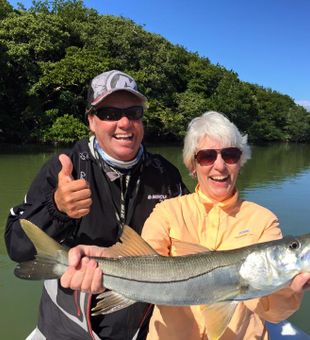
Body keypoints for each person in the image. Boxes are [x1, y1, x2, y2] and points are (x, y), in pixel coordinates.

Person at [61, 111, 310, 339]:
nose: (220, 165)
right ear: (192, 165)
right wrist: (104, 258)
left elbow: (272, 313)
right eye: (207, 156)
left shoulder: (263, 220)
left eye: (230, 155)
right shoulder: (168, 211)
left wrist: (290, 288)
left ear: (241, 161)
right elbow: (142, 258)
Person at [5, 69, 188, 340]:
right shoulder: (64, 168)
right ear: (91, 120)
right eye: (110, 114)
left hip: (141, 328)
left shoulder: (165, 174)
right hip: (65, 328)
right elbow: (16, 246)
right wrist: (56, 209)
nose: (124, 123)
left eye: (134, 113)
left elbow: (191, 238)